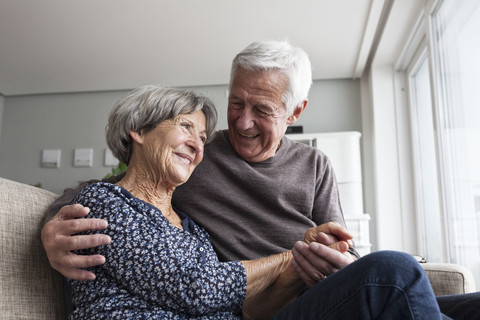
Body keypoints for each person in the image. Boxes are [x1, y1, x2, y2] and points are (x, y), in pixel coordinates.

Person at [42, 40, 477, 319]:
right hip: (261, 310)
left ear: (295, 112)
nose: (243, 123)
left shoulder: (315, 166)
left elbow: (344, 251)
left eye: (263, 110)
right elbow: (116, 191)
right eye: (236, 103)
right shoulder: (194, 159)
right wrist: (51, 224)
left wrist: (336, 260)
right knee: (395, 270)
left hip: (312, 298)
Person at [65, 85, 355, 319]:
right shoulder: (106, 202)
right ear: (139, 131)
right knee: (388, 274)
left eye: (202, 137)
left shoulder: (193, 231)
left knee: (381, 279)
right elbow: (196, 288)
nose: (197, 144)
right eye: (186, 126)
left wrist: (301, 262)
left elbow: (242, 312)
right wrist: (288, 256)